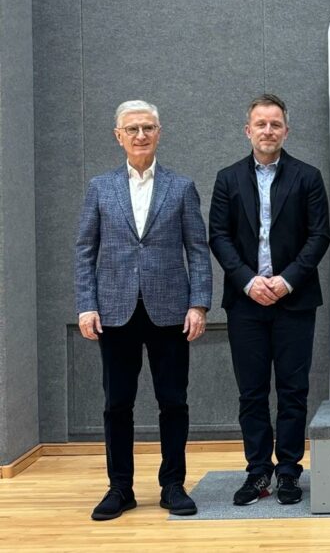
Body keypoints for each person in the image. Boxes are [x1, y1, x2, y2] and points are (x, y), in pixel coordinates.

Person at [76, 100, 212, 520]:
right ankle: (120, 488)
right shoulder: (100, 187)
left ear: (159, 133)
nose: (140, 135)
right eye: (132, 129)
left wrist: (198, 304)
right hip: (114, 310)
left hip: (170, 311)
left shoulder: (181, 187)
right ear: (118, 136)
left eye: (148, 128)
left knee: (173, 401)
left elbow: (198, 250)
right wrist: (86, 305)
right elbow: (85, 250)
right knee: (117, 404)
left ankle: (173, 484)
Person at [209, 94, 330, 505]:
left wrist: (287, 280)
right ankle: (258, 471)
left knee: (293, 390)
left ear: (286, 131)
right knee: (252, 392)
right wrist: (248, 281)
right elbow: (218, 237)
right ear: (248, 130)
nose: (267, 131)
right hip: (246, 303)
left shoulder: (307, 177)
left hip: (294, 300)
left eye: (275, 124)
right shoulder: (227, 178)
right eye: (260, 124)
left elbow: (319, 236)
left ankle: (289, 471)